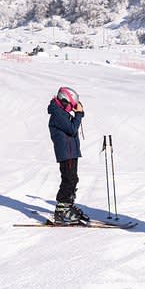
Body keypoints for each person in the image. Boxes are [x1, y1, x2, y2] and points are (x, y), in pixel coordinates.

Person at [47, 86, 88, 225]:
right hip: (66, 153)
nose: (72, 108)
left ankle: (68, 206)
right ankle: (61, 210)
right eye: (71, 105)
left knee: (73, 179)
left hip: (71, 151)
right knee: (68, 180)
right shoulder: (57, 114)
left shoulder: (61, 112)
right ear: (64, 101)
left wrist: (77, 113)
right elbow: (72, 129)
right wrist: (79, 114)